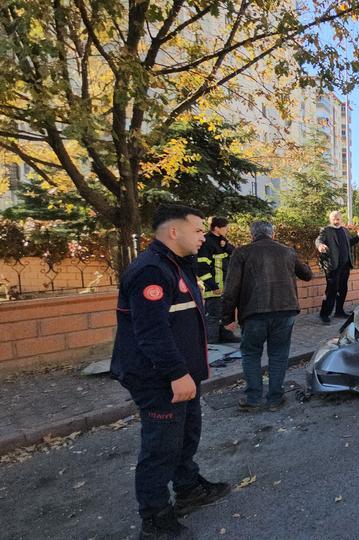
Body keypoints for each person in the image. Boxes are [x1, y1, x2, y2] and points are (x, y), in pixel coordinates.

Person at [110, 204, 229, 539]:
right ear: (173, 231)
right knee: (160, 448)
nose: (203, 236)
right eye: (198, 230)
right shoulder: (151, 270)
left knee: (186, 436)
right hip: (160, 378)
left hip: (183, 376)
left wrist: (187, 373)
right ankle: (155, 519)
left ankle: (188, 489)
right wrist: (177, 374)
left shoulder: (178, 265)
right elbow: (151, 331)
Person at [221, 221, 313, 412]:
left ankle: (253, 398)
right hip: (285, 310)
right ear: (273, 233)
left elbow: (231, 288)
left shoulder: (241, 252)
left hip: (254, 313)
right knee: (279, 354)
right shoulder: (287, 251)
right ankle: (275, 399)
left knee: (251, 354)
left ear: (252, 235)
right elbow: (307, 275)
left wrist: (227, 317)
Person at [314, 211, 359, 325]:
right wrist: (320, 246)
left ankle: (339, 311)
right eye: (334, 218)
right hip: (332, 266)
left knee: (343, 289)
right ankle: (324, 314)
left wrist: (358, 236)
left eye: (338, 218)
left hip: (345, 265)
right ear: (330, 219)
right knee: (331, 290)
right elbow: (318, 240)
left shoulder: (344, 230)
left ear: (341, 219)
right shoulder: (325, 230)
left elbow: (349, 243)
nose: (336, 220)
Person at [195, 216, 239, 344]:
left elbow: (235, 254)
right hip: (214, 288)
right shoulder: (206, 242)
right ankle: (212, 341)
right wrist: (213, 286)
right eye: (225, 227)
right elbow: (201, 268)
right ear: (216, 228)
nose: (227, 230)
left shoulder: (222, 240)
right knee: (213, 315)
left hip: (225, 286)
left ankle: (225, 336)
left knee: (224, 314)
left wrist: (226, 246)